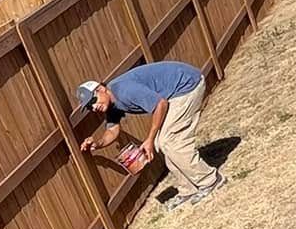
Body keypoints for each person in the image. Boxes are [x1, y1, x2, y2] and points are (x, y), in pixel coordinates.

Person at [76, 61, 224, 206]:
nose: (94, 107)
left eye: (93, 101)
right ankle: (188, 189)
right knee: (161, 144)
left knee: (170, 141)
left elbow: (160, 104)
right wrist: (97, 143)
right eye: (89, 106)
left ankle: (211, 180)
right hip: (173, 94)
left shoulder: (124, 91)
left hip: (187, 85)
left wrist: (149, 139)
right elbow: (112, 130)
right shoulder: (111, 104)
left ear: (101, 89)